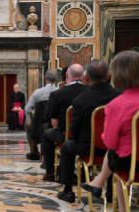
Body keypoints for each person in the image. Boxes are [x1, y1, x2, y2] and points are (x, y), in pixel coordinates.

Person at [80, 51, 139, 212]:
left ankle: (122, 208)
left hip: (133, 163)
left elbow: (110, 142)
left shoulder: (117, 104)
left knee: (118, 159)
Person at [57, 60, 122, 203]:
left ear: (85, 78)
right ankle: (110, 192)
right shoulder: (119, 96)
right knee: (112, 148)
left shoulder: (80, 99)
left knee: (67, 146)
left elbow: (73, 128)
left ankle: (68, 191)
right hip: (115, 147)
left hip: (87, 148)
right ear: (108, 76)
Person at [42, 64, 88, 182]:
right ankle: (84, 172)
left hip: (64, 135)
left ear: (66, 75)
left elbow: (54, 123)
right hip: (87, 138)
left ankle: (50, 172)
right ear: (84, 77)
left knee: (46, 133)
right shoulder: (90, 93)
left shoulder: (57, 94)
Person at [24, 69, 58, 160]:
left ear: (45, 78)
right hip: (56, 126)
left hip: (39, 125)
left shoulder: (38, 92)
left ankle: (34, 150)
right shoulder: (60, 92)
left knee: (27, 126)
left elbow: (27, 109)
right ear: (56, 79)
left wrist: (30, 121)